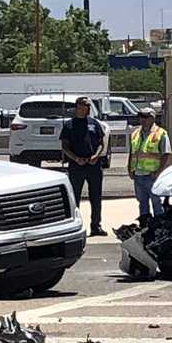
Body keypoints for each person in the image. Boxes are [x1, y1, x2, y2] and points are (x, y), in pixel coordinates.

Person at [61, 96, 107, 237]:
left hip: (93, 165)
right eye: (82, 106)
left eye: (87, 106)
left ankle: (96, 226)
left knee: (96, 197)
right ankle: (75, 226)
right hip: (77, 166)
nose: (84, 108)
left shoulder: (94, 123)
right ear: (77, 107)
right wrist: (75, 158)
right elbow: (64, 146)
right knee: (74, 197)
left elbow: (101, 143)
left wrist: (96, 155)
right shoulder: (69, 125)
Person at [128, 108, 172, 223]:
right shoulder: (135, 133)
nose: (143, 119)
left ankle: (158, 226)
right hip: (138, 175)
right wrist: (130, 169)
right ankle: (145, 225)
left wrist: (158, 173)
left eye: (146, 117)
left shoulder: (160, 133)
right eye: (141, 117)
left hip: (152, 176)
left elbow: (166, 154)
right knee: (142, 203)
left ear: (153, 118)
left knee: (157, 203)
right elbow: (132, 153)